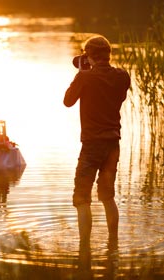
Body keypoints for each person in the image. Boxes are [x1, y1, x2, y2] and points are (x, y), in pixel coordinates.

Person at [63, 35, 130, 247]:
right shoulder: (122, 76)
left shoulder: (85, 77)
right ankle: (113, 244)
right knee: (107, 195)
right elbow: (118, 97)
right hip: (113, 144)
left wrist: (81, 74)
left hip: (92, 145)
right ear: (108, 54)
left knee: (82, 198)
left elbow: (67, 101)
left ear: (89, 56)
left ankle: (84, 249)